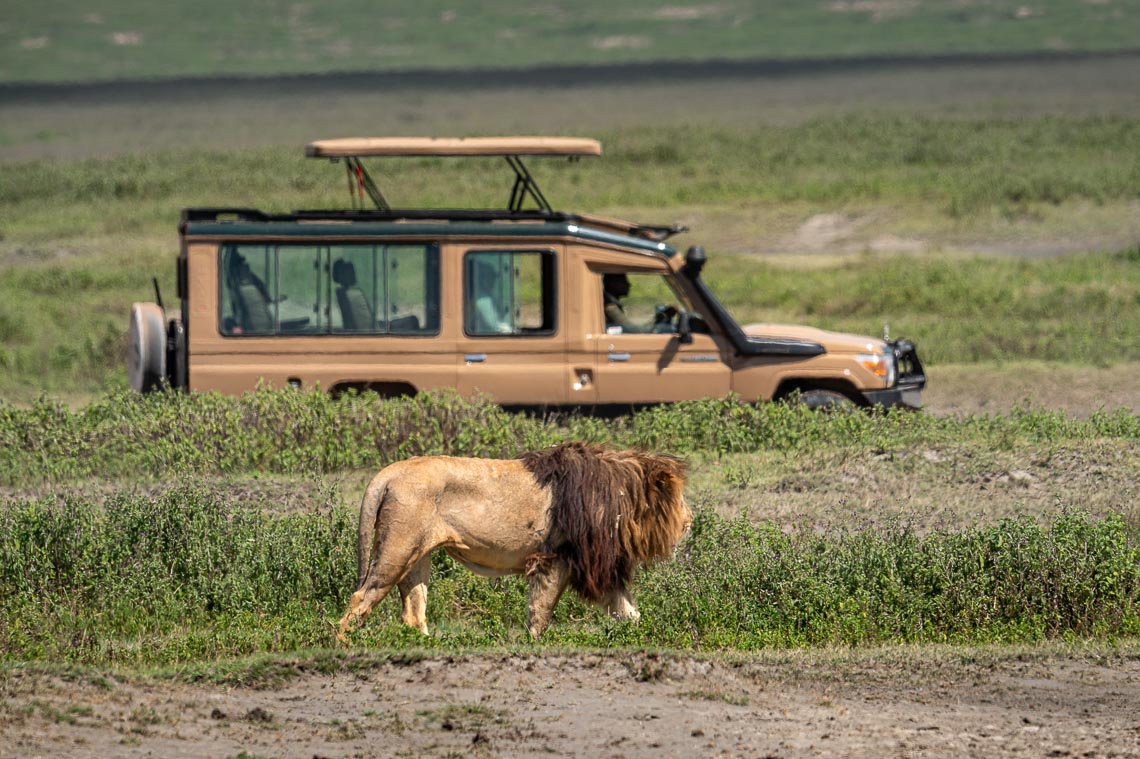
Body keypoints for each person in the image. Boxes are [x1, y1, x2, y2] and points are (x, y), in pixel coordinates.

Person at [602, 272, 676, 334]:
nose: (629, 284)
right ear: (613, 283)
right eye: (623, 280)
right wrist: (661, 317)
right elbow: (634, 331)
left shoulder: (611, 304)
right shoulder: (609, 307)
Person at [471, 261, 512, 334]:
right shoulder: (483, 299)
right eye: (489, 277)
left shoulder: (486, 296)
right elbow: (494, 326)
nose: (493, 281)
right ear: (481, 279)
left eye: (493, 277)